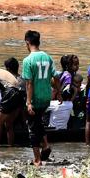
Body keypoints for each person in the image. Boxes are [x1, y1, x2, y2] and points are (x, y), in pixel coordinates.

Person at [21, 31, 58, 166]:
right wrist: (58, 92)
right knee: (38, 122)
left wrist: (29, 102)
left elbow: (29, 83)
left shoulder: (28, 60)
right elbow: (55, 77)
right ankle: (46, 145)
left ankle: (37, 158)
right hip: (46, 97)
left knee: (32, 128)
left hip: (35, 98)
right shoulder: (48, 57)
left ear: (27, 42)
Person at [0, 57, 25, 148]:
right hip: (19, 93)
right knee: (9, 124)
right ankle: (11, 148)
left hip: (11, 92)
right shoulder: (20, 78)